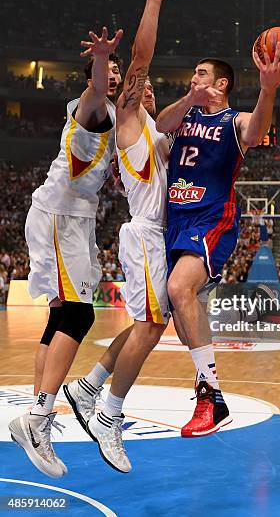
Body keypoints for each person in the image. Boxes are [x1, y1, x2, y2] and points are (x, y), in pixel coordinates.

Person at [62, 0, 181, 473]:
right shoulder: (130, 118)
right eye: (139, 85)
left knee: (146, 324)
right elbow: (142, 58)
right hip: (146, 234)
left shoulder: (154, 128)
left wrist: (196, 102)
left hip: (156, 237)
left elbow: (175, 118)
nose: (144, 86)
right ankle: (109, 414)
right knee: (152, 328)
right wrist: (153, 0)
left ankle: (87, 387)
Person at [156, 43, 280, 436]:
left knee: (178, 286)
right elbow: (163, 124)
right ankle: (209, 390)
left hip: (213, 218)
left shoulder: (234, 120)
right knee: (185, 320)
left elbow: (257, 130)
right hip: (176, 222)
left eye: (200, 74)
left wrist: (269, 89)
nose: (193, 78)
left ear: (221, 82)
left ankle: (211, 398)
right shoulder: (185, 115)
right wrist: (188, 98)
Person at [8, 25, 123, 478]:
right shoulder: (92, 107)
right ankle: (39, 418)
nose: (113, 75)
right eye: (108, 70)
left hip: (69, 217)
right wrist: (101, 60)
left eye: (117, 69)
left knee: (60, 317)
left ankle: (36, 420)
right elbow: (96, 88)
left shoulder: (111, 112)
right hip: (62, 216)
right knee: (79, 316)